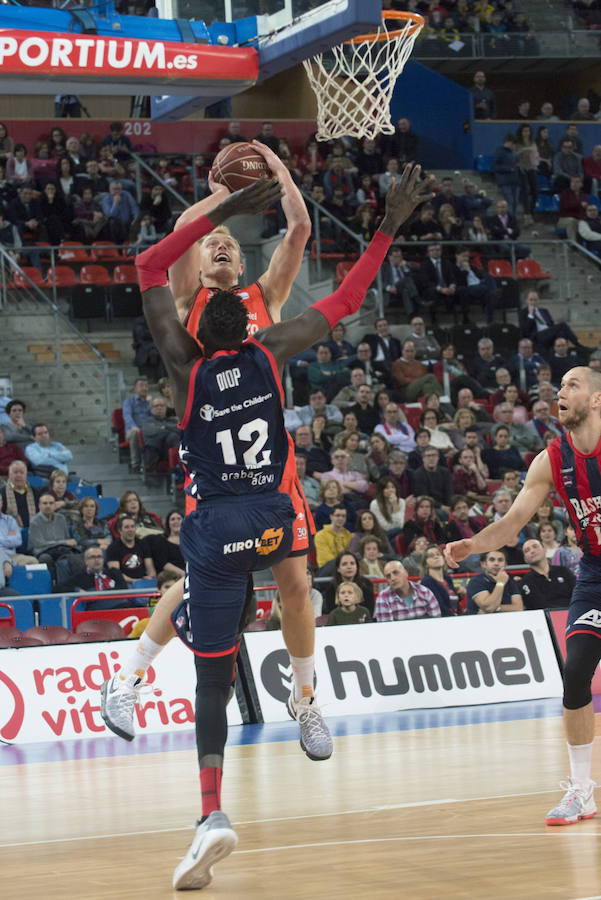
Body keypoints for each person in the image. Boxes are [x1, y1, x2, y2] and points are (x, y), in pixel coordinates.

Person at [100, 169, 432, 888]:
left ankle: (216, 803)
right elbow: (345, 298)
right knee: (281, 577)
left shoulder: (186, 358)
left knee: (215, 664)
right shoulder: (270, 347)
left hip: (217, 516)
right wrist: (386, 226)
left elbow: (150, 263)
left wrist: (228, 202)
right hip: (272, 511)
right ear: (244, 327)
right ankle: (144, 684)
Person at [444, 365, 601, 826]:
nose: (560, 393)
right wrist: (472, 546)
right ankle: (581, 791)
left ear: (596, 399)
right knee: (575, 671)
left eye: (573, 385)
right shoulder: (550, 460)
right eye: (558, 388)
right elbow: (512, 525)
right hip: (594, 572)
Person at [57, 544, 132, 609]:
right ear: (86, 561)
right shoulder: (80, 577)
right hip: (96, 614)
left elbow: (123, 589)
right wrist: (77, 590)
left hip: (122, 607)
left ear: (103, 559)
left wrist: (95, 595)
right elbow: (58, 588)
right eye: (92, 557)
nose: (97, 560)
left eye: (99, 557)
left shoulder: (114, 572)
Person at [27, 492, 79, 583]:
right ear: (39, 505)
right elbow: (39, 544)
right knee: (45, 558)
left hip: (61, 549)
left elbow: (67, 538)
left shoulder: (61, 518)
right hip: (43, 551)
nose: (48, 506)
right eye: (45, 503)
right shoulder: (34, 521)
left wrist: (64, 543)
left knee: (74, 556)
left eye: (51, 503)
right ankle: (52, 584)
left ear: (55, 505)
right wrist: (63, 542)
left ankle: (72, 584)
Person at [518, 290, 585, 352]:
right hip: (537, 337)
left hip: (548, 333)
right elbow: (525, 330)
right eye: (531, 300)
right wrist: (531, 315)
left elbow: (551, 324)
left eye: (535, 300)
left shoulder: (544, 311)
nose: (533, 302)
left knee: (561, 333)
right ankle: (578, 344)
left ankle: (564, 354)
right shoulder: (523, 313)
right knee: (563, 325)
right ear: (527, 301)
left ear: (538, 300)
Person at [376, 559, 441, 621]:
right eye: (388, 576)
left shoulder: (425, 592)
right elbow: (386, 630)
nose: (392, 578)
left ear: (406, 573)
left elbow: (436, 623)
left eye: (395, 573)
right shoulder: (383, 598)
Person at [520, 538, 576, 610]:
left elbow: (577, 593)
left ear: (544, 549)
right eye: (527, 550)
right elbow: (538, 605)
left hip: (573, 613)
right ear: (525, 559)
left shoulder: (563, 571)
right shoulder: (526, 581)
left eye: (535, 546)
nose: (532, 551)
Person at [464, 548, 524, 614]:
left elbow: (519, 608)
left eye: (500, 560)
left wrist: (497, 608)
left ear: (505, 565)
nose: (496, 563)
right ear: (484, 564)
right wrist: (500, 583)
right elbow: (489, 607)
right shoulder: (475, 581)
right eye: (492, 560)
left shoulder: (510, 580)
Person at [321, 550, 375, 615]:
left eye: (352, 563)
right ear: (338, 568)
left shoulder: (366, 584)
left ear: (357, 567)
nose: (349, 567)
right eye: (344, 564)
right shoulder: (331, 587)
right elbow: (332, 611)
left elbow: (369, 611)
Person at [106, 515, 156, 585]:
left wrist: (150, 577)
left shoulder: (142, 544)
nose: (130, 530)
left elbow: (151, 569)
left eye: (132, 526)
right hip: (125, 583)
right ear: (120, 530)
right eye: (127, 527)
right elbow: (116, 574)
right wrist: (136, 581)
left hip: (143, 581)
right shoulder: (113, 548)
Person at [420, 543, 465, 616]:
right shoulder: (427, 582)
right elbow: (440, 607)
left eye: (438, 554)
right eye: (431, 556)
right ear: (426, 563)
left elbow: (452, 603)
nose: (436, 557)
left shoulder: (448, 579)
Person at [140, 395, 180, 473]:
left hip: (169, 449)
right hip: (155, 453)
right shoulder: (147, 422)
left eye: (162, 405)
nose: (159, 408)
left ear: (166, 408)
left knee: (174, 437)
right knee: (173, 436)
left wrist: (164, 427)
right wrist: (169, 430)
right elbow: (152, 432)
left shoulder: (172, 421)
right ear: (151, 409)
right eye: (156, 406)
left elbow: (180, 430)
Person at [0, 460, 40, 528]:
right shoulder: (1, 493)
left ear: (26, 475)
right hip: (9, 533)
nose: (19, 475)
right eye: (15, 472)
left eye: (22, 472)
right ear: (9, 475)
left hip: (34, 531)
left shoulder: (35, 492)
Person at [146, 509, 185, 579]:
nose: (176, 521)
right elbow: (163, 564)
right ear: (168, 523)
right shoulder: (161, 541)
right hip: (170, 576)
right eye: (172, 519)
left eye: (179, 519)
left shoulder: (190, 541)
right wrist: (183, 574)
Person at [314, 505, 352, 570]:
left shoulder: (348, 534)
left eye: (343, 516)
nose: (341, 518)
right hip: (326, 569)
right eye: (337, 515)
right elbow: (326, 559)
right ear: (331, 517)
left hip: (344, 568)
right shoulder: (321, 535)